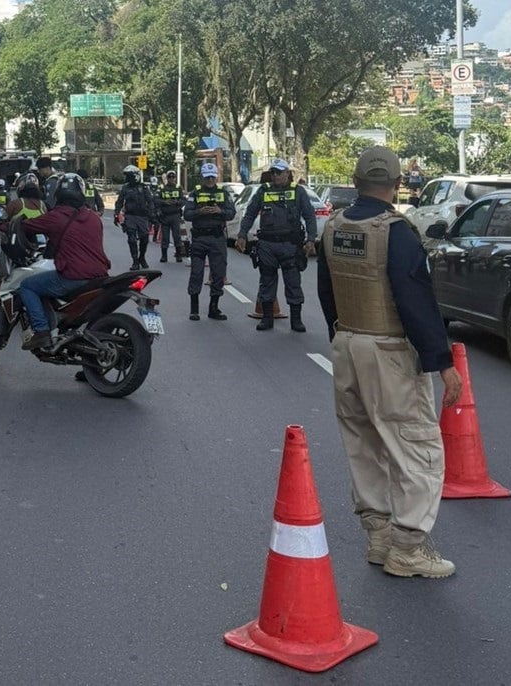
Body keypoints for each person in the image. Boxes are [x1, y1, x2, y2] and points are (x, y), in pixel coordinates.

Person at [318, 146, 463, 579]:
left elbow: (328, 295)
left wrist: (343, 339)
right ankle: (408, 547)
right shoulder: (396, 232)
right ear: (398, 184)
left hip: (347, 344)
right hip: (389, 352)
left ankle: (378, 536)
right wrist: (442, 361)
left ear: (355, 181)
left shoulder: (335, 227)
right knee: (415, 446)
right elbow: (415, 300)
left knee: (363, 443)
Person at [18, 173, 111, 350]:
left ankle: (41, 331)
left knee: (28, 286)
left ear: (58, 193)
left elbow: (26, 226)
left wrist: (3, 225)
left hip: (73, 276)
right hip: (100, 275)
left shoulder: (56, 216)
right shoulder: (93, 218)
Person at [235, 159, 317, 332]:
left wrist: (311, 239)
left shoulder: (298, 191)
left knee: (293, 282)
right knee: (267, 281)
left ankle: (296, 319)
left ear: (287, 173)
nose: (275, 175)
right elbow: (250, 213)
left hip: (290, 244)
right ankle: (267, 317)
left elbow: (309, 216)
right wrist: (242, 234)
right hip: (267, 244)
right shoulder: (263, 191)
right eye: (273, 172)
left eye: (279, 172)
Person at [183, 162, 236, 321]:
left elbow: (231, 213)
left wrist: (220, 211)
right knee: (196, 273)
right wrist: (200, 211)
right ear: (203, 178)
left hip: (217, 237)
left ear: (216, 177)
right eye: (207, 177)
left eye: (213, 177)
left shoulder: (224, 193)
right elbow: (187, 214)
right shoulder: (195, 193)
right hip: (199, 238)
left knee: (219, 273)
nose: (210, 180)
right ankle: (194, 309)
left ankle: (214, 308)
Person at [114, 164, 155, 270]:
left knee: (144, 239)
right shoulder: (125, 188)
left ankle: (142, 257)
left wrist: (152, 215)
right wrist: (116, 214)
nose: (127, 178)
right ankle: (135, 261)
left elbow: (150, 201)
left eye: (129, 176)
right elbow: (119, 202)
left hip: (142, 216)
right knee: (131, 239)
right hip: (130, 216)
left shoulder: (144, 187)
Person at [157, 170, 185, 263]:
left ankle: (178, 255)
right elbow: (155, 199)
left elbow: (183, 200)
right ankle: (164, 256)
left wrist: (176, 202)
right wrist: (164, 202)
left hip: (175, 214)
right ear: (167, 178)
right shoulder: (161, 188)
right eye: (170, 177)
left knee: (177, 236)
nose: (172, 179)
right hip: (165, 215)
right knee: (165, 237)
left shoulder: (178, 188)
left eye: (173, 177)